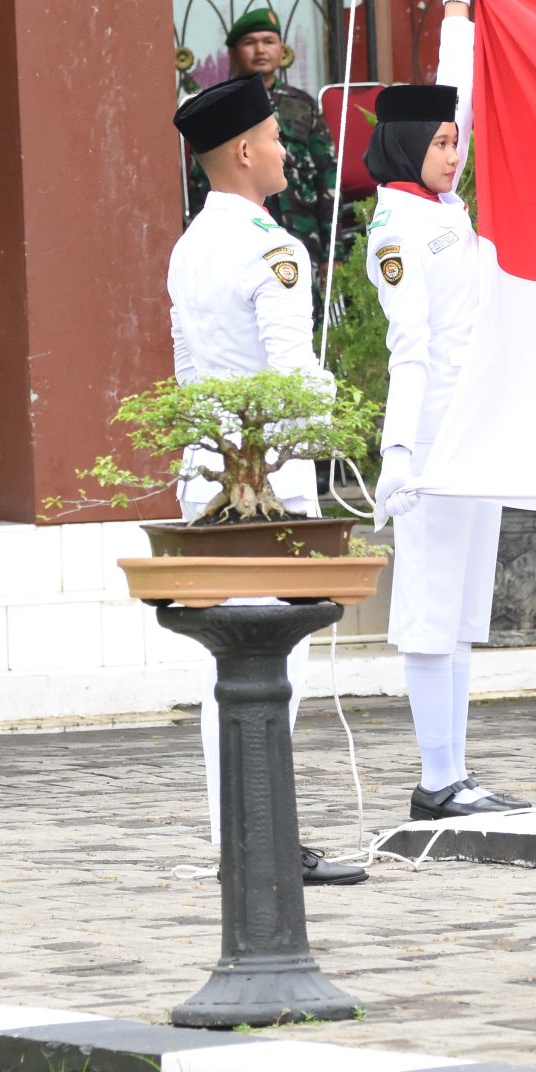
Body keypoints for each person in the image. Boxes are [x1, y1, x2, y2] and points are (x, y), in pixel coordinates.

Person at [168, 71, 367, 888]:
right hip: (271, 484)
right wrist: (337, 415)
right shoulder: (272, 248)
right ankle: (266, 846)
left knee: (224, 671)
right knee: (276, 674)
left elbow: (186, 377)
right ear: (245, 151)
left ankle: (239, 843)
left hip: (205, 475)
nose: (287, 151)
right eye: (278, 138)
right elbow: (292, 380)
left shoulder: (188, 246)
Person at [366, 0, 529, 824]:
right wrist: (397, 452)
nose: (454, 153)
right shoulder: (397, 230)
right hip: (430, 442)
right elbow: (410, 349)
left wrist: (458, 1)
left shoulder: (442, 207)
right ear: (405, 147)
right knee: (429, 611)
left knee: (463, 612)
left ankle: (456, 775)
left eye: (456, 142)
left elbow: (453, 94)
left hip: (476, 430)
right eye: (439, 144)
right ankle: (435, 779)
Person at [225, 8, 340, 267]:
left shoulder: (303, 104)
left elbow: (328, 174)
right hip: (243, 238)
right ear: (233, 52)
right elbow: (204, 181)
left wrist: (333, 252)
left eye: (268, 41)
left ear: (282, 49)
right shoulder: (223, 107)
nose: (260, 50)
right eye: (249, 43)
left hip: (303, 234)